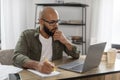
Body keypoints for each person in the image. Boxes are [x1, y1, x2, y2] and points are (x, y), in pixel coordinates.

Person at [13, 7, 79, 74]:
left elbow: (76, 55)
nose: (56, 26)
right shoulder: (27, 35)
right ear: (41, 21)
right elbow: (17, 57)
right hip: (33, 75)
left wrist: (65, 41)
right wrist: (37, 65)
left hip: (54, 74)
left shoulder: (58, 36)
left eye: (57, 21)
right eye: (52, 22)